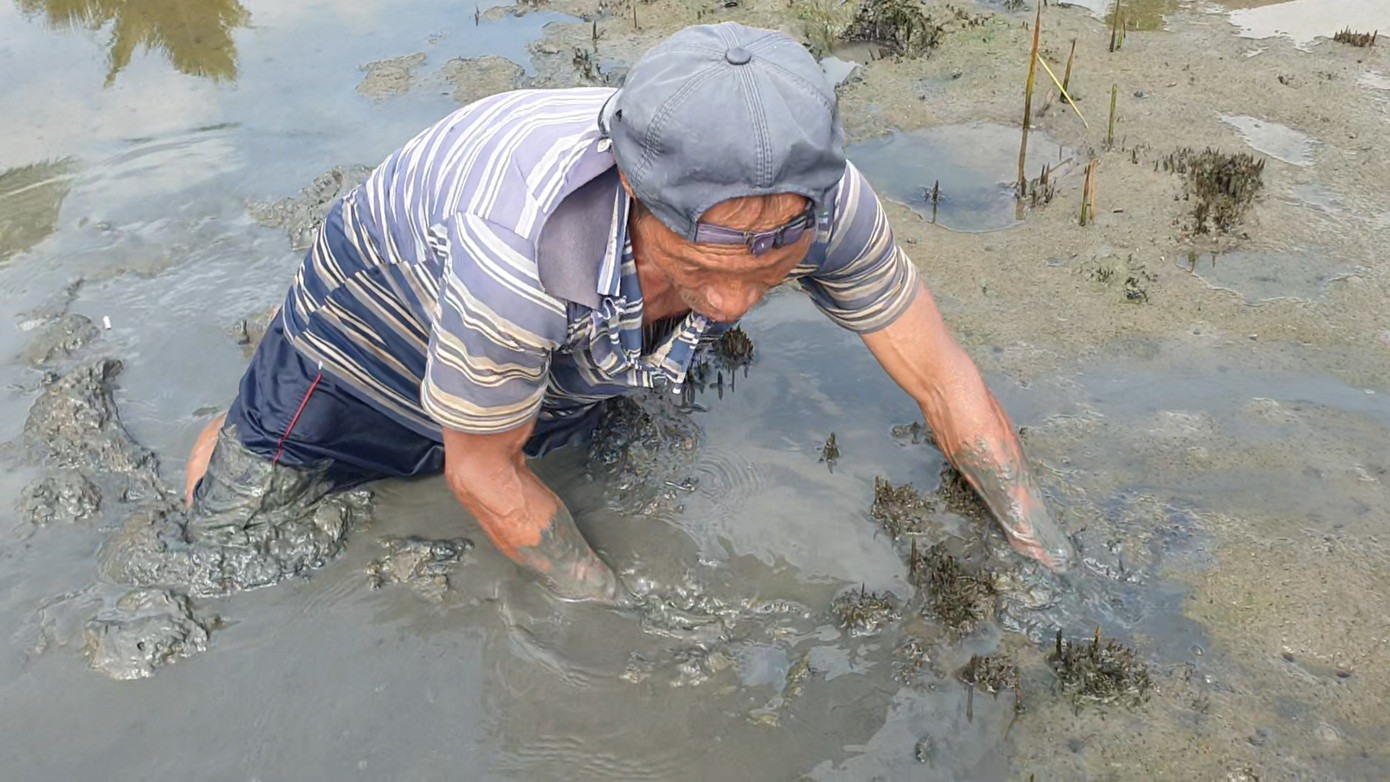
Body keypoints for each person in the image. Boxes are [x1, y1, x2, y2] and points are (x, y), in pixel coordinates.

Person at [182, 22, 1075, 604]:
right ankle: (237, 423)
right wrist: (610, 617)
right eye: (698, 269)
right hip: (372, 338)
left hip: (559, 338)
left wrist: (1045, 549)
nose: (729, 306)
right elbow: (481, 476)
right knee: (231, 532)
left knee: (547, 443)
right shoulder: (515, 250)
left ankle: (549, 373)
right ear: (635, 192)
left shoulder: (824, 196)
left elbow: (938, 370)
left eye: (768, 278)